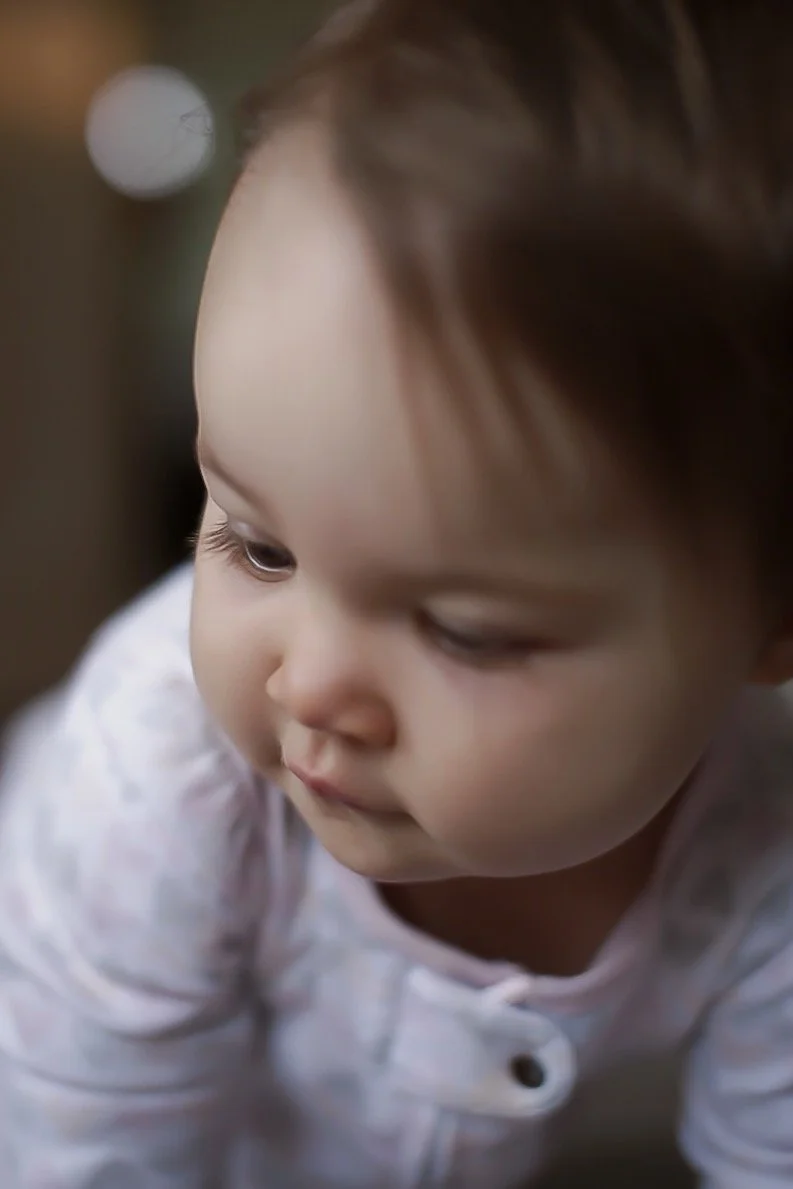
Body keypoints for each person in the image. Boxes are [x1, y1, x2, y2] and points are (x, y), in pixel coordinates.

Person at [2, 0, 793, 1184]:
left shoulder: (767, 845)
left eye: (464, 632)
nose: (309, 683)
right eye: (259, 547)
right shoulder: (153, 778)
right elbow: (90, 1151)